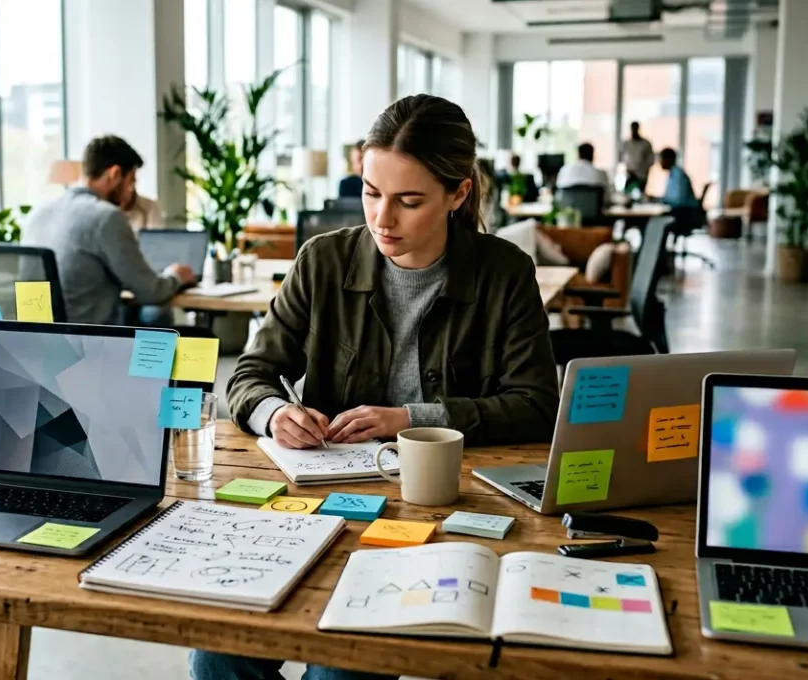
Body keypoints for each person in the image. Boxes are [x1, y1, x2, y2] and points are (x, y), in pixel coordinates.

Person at [191, 95, 559, 680]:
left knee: (342, 670)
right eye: (370, 192)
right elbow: (248, 375)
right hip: (324, 502)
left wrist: (408, 419)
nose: (382, 219)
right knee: (216, 654)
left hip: (442, 509)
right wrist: (269, 413)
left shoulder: (504, 272)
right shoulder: (322, 261)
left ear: (458, 194)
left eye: (409, 201)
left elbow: (537, 406)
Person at [22, 135, 196, 324]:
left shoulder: (37, 214)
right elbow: (150, 292)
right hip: (89, 342)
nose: (130, 192)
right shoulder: (106, 217)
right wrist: (176, 275)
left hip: (39, 341)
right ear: (114, 174)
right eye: (131, 182)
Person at [620, 121, 655, 192]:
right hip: (629, 176)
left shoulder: (646, 144)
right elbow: (622, 159)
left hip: (641, 177)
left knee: (639, 196)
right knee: (626, 195)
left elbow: (651, 160)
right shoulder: (626, 144)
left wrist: (642, 170)